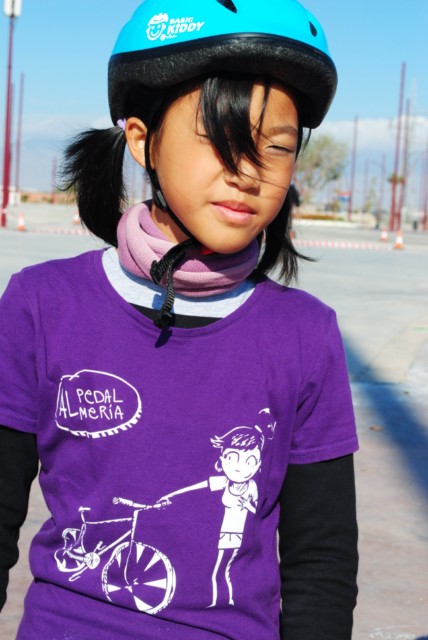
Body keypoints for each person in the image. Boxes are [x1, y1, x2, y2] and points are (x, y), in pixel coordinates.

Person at [0, 1, 359, 638]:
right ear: (143, 140)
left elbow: (321, 560)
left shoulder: (306, 334)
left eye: (276, 148)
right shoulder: (41, 303)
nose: (247, 173)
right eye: (219, 140)